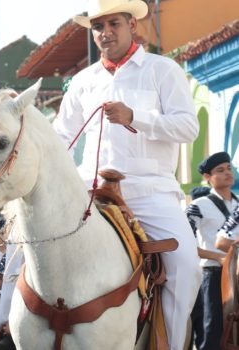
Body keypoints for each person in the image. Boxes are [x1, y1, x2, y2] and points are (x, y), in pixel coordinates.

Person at [54, 0, 201, 347]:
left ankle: (171, 344)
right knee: (26, 256)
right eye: (98, 27)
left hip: (149, 194)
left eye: (114, 24)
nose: (105, 33)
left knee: (186, 267)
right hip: (88, 195)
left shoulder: (162, 70)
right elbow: (62, 138)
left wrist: (136, 117)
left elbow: (188, 128)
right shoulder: (81, 81)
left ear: (132, 25)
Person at [185, 152, 235, 350]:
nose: (227, 173)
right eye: (220, 170)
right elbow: (183, 243)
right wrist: (219, 257)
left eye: (229, 168)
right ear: (207, 177)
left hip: (237, 275)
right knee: (211, 332)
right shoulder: (197, 206)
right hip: (213, 275)